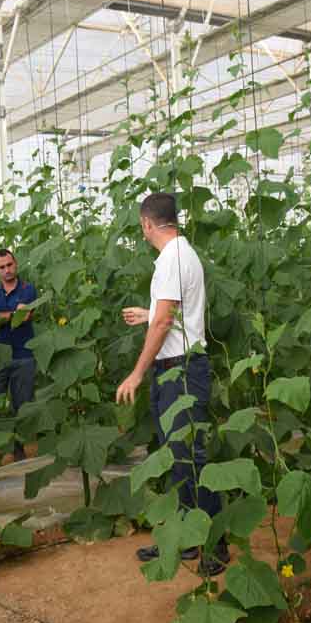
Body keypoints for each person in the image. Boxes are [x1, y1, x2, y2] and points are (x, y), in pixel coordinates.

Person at [116, 192, 229, 577]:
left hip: (180, 369)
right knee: (179, 460)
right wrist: (150, 314)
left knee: (191, 458)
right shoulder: (180, 255)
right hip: (177, 366)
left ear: (147, 223)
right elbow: (171, 314)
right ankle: (186, 539)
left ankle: (215, 545)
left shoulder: (172, 259)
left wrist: (135, 372)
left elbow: (166, 324)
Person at [0, 249, 37, 461]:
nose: (7, 270)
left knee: (22, 406)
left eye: (10, 265)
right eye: (2, 267)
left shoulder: (27, 288)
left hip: (23, 354)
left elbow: (22, 318)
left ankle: (18, 449)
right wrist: (11, 315)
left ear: (16, 264)